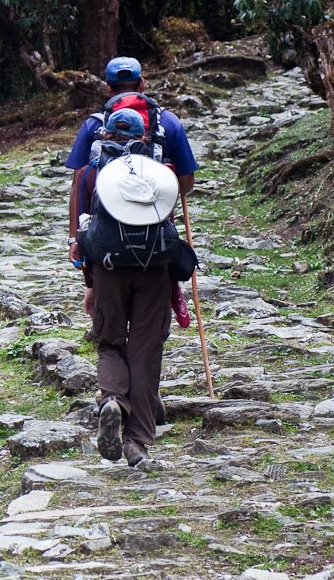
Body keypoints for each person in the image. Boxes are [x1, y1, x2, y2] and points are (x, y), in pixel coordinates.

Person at [65, 56, 198, 466]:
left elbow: (80, 194)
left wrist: (80, 257)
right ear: (142, 83)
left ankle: (114, 402)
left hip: (105, 262)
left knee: (109, 340)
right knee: (145, 349)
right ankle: (137, 441)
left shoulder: (91, 137)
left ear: (107, 89)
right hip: (155, 259)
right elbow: (186, 184)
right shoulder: (168, 125)